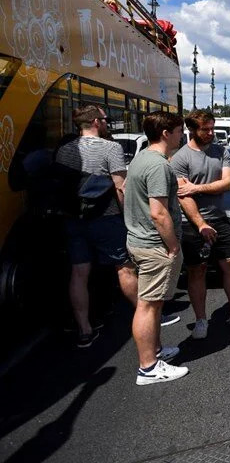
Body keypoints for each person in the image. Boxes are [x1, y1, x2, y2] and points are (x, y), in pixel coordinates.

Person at [172, 110, 230, 341]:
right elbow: (184, 196)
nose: (211, 133)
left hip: (219, 218)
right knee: (197, 270)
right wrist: (201, 223)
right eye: (206, 129)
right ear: (192, 130)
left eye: (212, 128)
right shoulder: (181, 158)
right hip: (192, 222)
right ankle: (201, 320)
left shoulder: (221, 151)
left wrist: (197, 187)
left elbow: (227, 183)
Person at [55, 105, 133, 348]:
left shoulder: (64, 150)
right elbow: (121, 187)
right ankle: (149, 314)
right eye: (105, 119)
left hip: (73, 219)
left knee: (79, 273)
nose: (108, 123)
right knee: (124, 267)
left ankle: (85, 330)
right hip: (106, 217)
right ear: (97, 122)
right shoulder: (111, 147)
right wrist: (128, 218)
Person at [123, 111, 189, 384]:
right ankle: (148, 367)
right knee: (148, 306)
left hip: (139, 240)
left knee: (152, 303)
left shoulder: (142, 158)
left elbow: (127, 188)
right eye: (178, 130)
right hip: (155, 246)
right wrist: (172, 246)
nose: (181, 135)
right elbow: (159, 213)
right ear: (166, 133)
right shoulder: (159, 166)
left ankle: (155, 352)